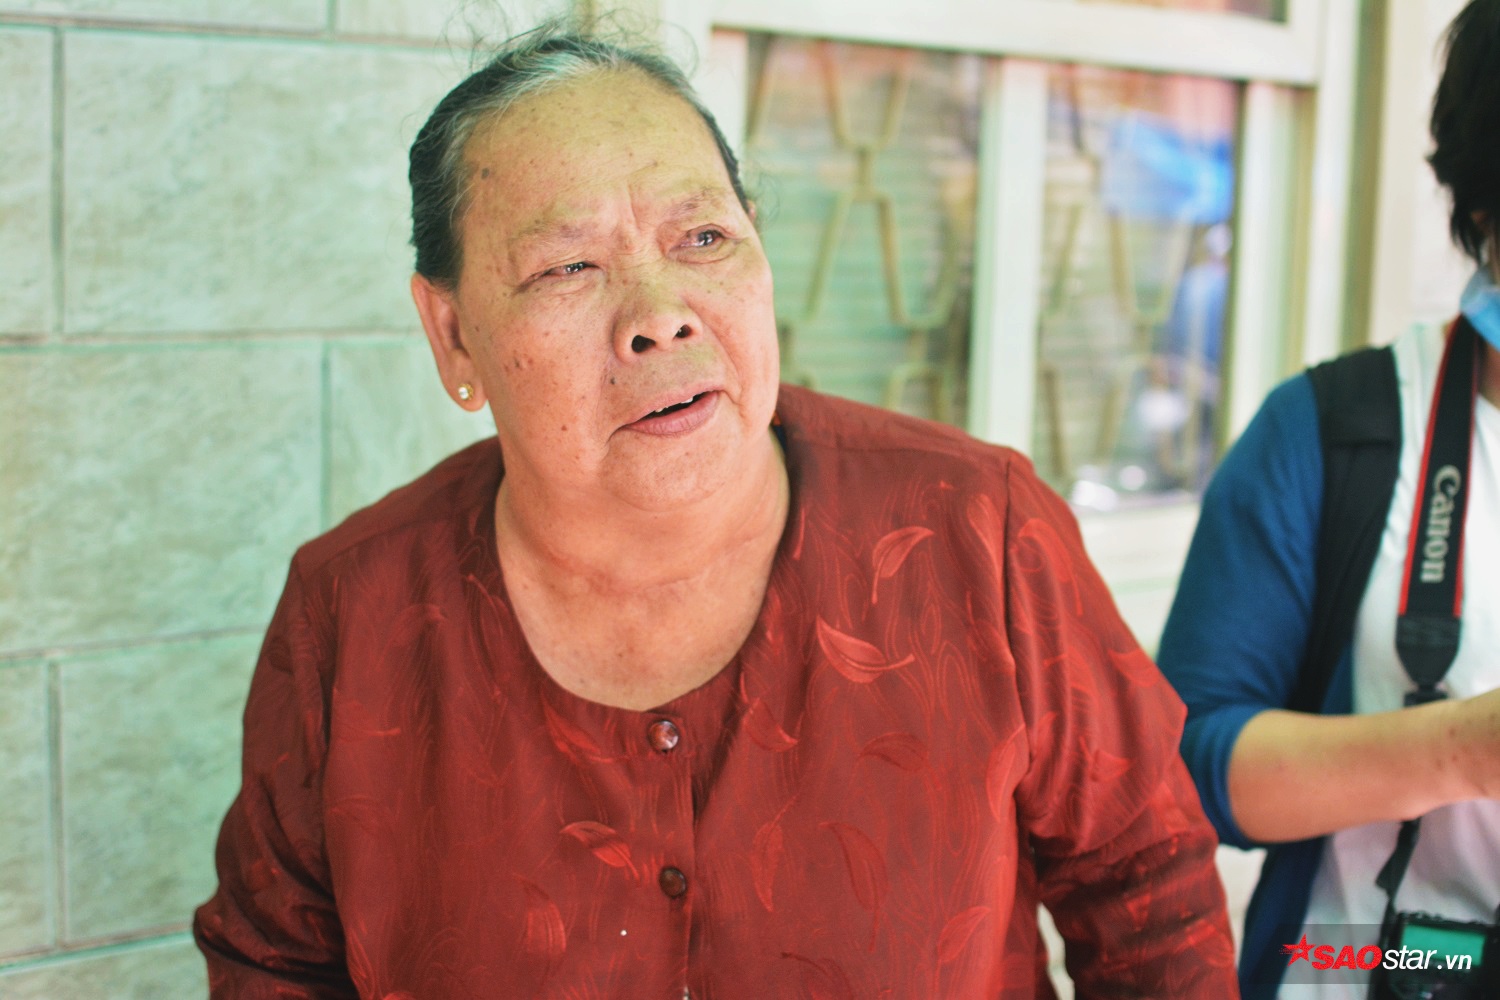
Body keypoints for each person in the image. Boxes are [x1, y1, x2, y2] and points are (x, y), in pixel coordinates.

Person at [193, 21, 1236, 998]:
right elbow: (272, 960)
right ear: (454, 334)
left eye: (701, 237)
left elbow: (1149, 892)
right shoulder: (354, 613)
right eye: (568, 265)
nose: (659, 316)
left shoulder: (977, 532)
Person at [1156, 2, 1500, 997]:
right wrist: (1460, 752)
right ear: (1483, 205)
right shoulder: (1336, 430)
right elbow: (1189, 766)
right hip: (1376, 960)